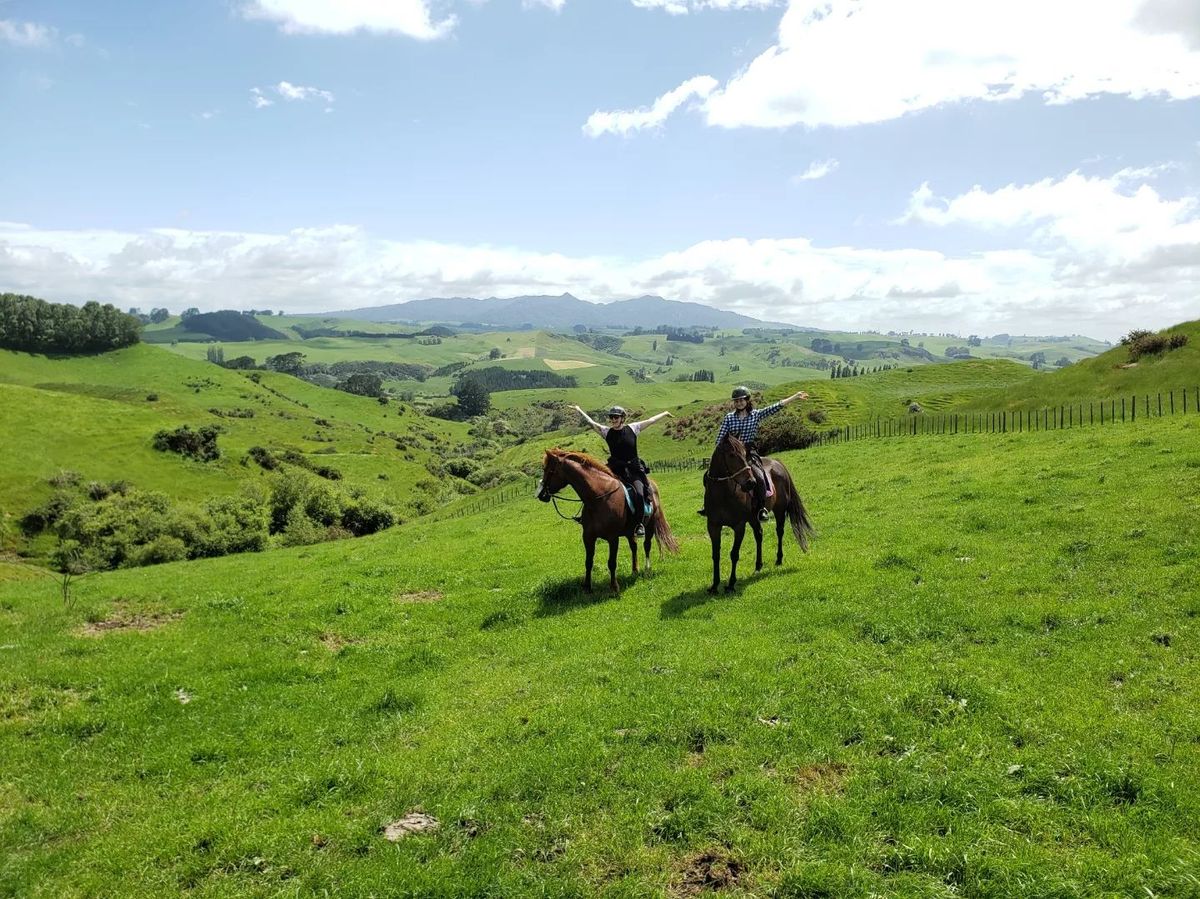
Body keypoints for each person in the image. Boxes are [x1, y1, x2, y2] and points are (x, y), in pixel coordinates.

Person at [700, 385, 809, 520]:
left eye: (741, 400)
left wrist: (795, 396)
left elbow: (774, 407)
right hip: (733, 454)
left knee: (759, 476)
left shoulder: (755, 415)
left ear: (747, 400)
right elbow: (720, 438)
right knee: (708, 476)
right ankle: (708, 506)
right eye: (736, 401)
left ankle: (762, 508)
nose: (739, 403)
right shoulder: (729, 418)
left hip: (749, 452)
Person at [572, 404, 672, 537]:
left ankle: (639, 525)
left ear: (622, 418)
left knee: (640, 494)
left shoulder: (633, 428)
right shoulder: (606, 432)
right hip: (614, 469)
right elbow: (591, 423)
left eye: (616, 417)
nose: (613, 420)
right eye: (611, 417)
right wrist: (579, 410)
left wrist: (664, 413)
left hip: (633, 469)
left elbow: (651, 421)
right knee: (594, 488)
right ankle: (586, 517)